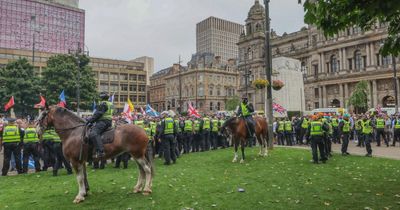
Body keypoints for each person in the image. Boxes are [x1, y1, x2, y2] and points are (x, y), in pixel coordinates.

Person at [87, 92, 114, 158]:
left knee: (93, 133)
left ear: (101, 97)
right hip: (109, 121)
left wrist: (89, 120)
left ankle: (101, 151)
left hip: (103, 121)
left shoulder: (103, 103)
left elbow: (98, 114)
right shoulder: (111, 104)